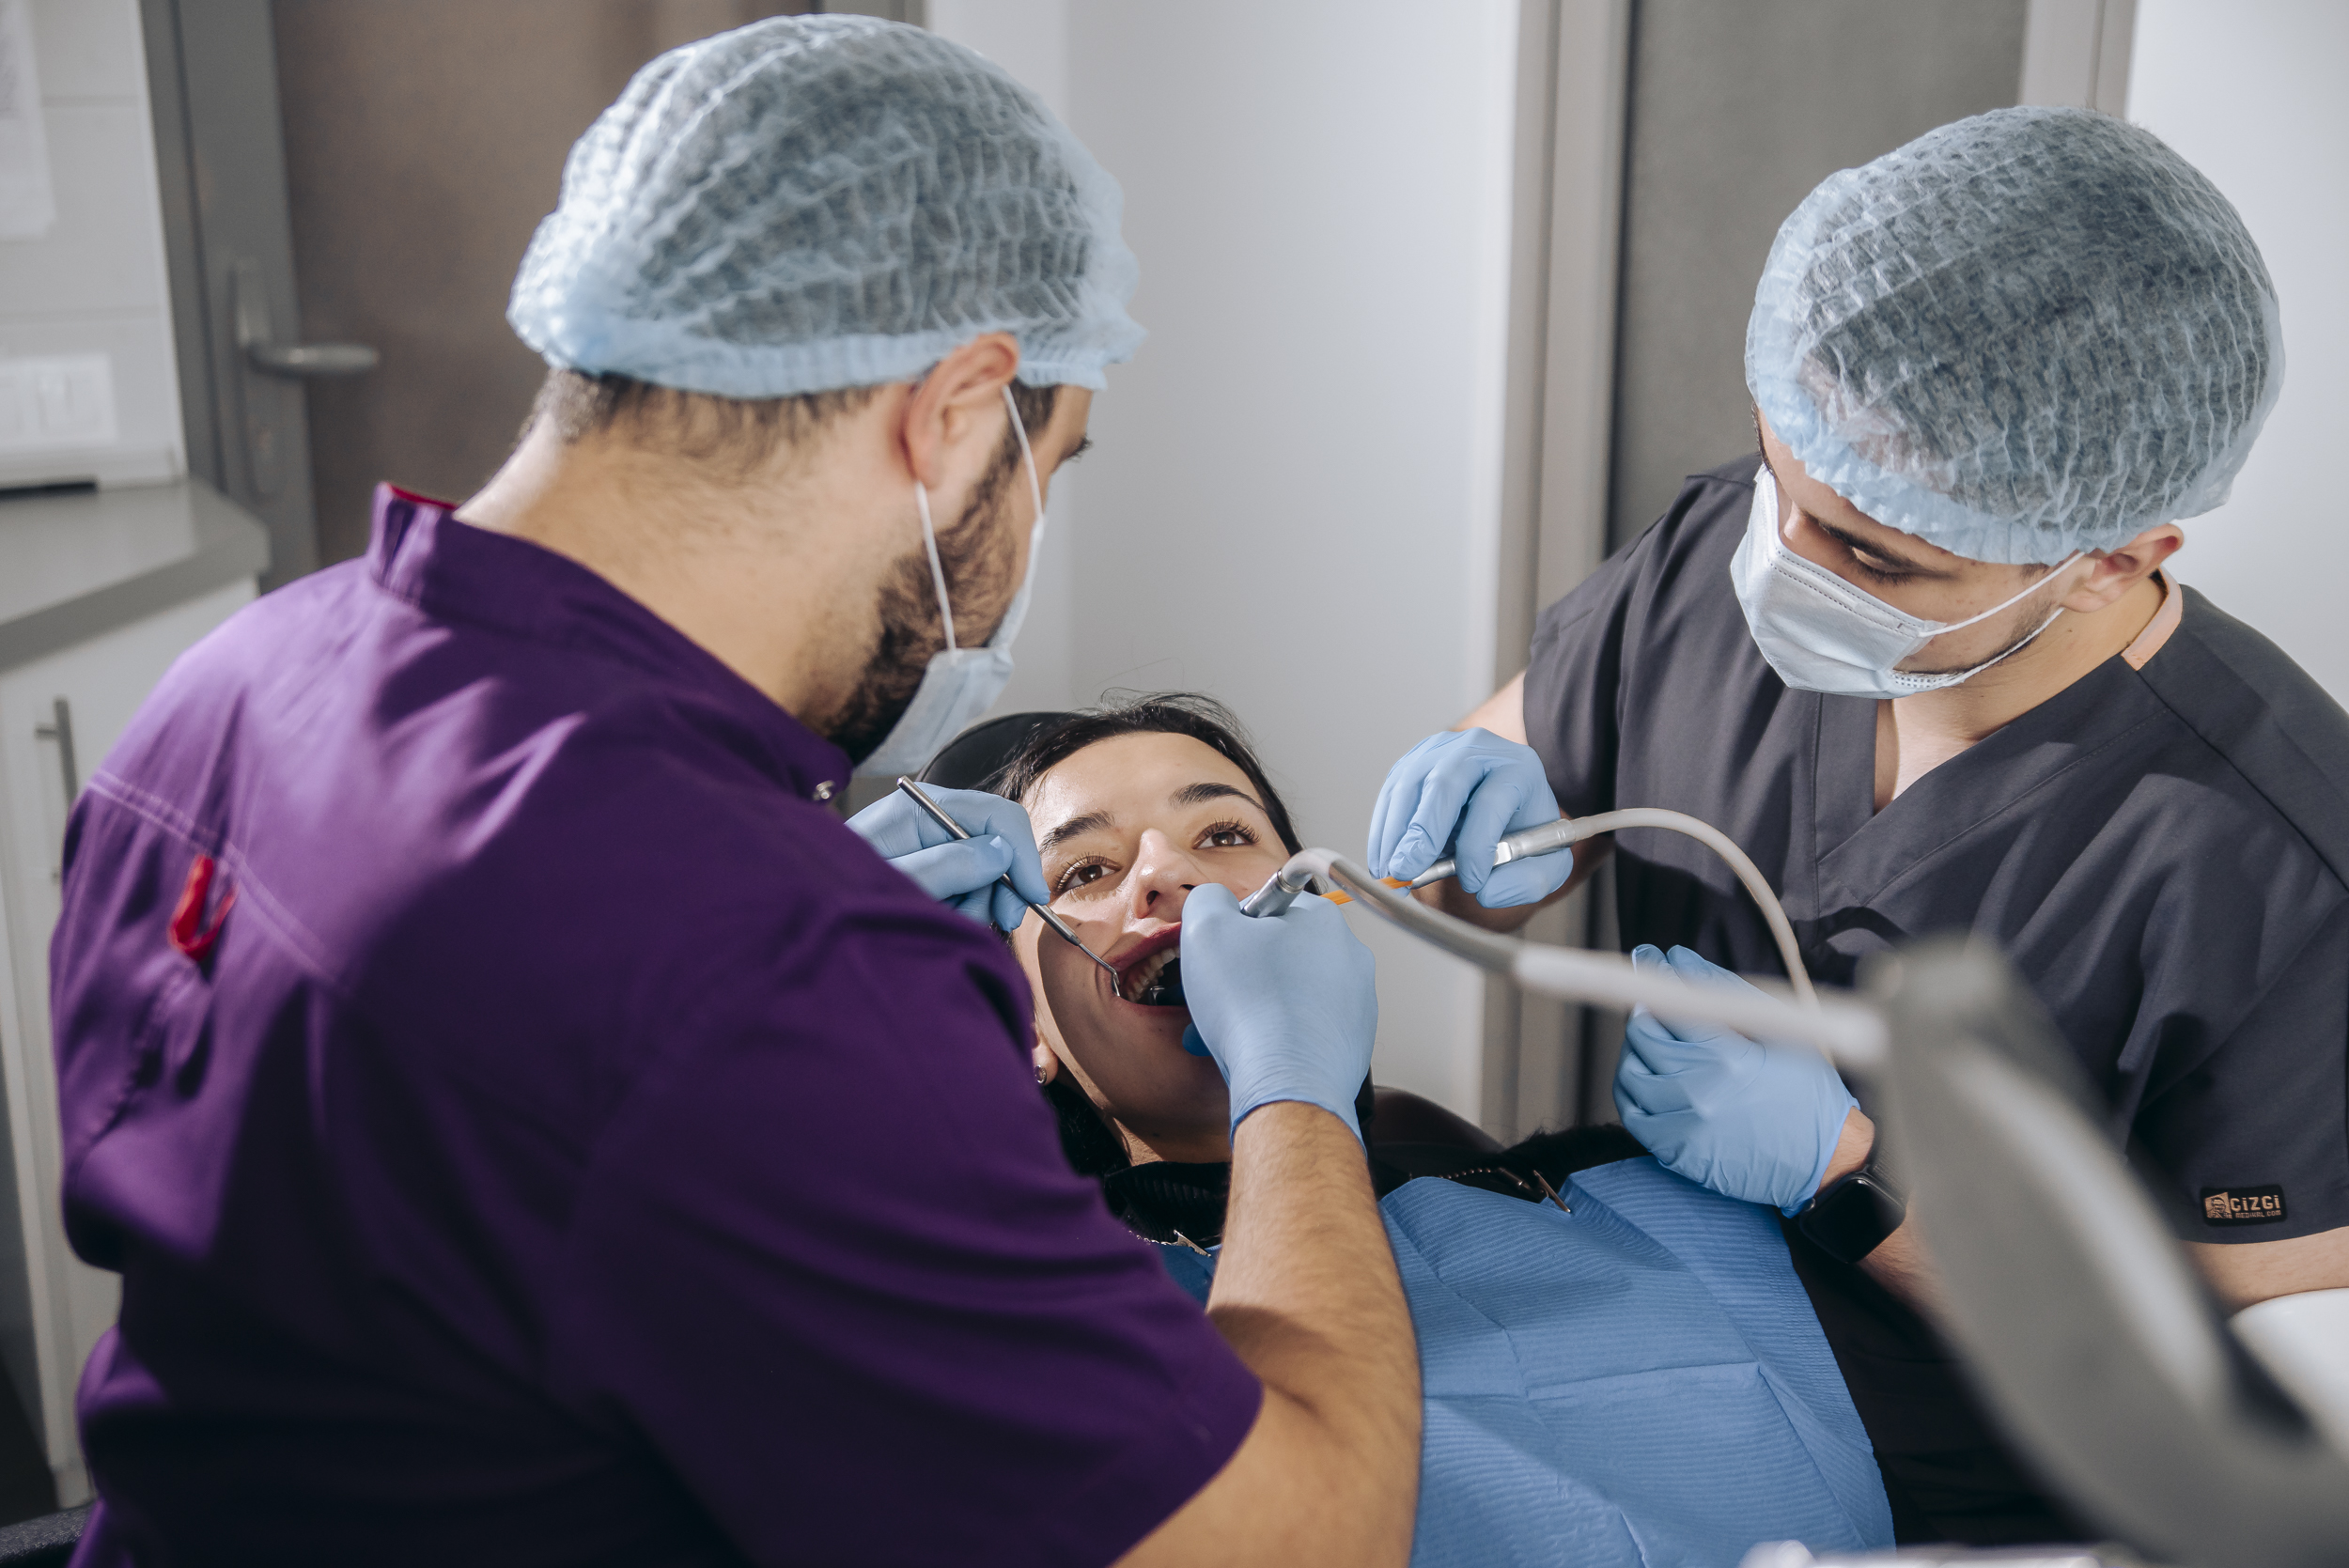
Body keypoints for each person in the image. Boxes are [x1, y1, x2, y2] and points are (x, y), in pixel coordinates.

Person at [47, 21, 1417, 1567]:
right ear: (957, 410)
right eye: (1054, 472)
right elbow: (1301, 1541)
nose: (1027, 549)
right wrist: (1297, 1092)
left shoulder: (231, 683)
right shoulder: (762, 966)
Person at [1368, 107, 2349, 1539]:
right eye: (1780, 474)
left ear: (2112, 557)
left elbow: (2239, 1390)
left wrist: (1855, 1181)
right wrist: (1475, 828)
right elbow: (1508, 823)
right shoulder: (1729, 546)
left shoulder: (2276, 862)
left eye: (1875, 556)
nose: (1781, 561)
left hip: (1922, 1452)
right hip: (1634, 1250)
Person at [932, 694, 1897, 1568]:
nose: (1170, 872)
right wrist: (1286, 1079)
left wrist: (1843, 1168)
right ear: (1024, 1027)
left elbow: (1983, 1397)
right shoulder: (1005, 1301)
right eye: (1087, 868)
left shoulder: (1641, 1176)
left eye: (1223, 832)